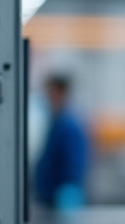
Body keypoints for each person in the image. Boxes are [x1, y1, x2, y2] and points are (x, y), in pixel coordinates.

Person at [34, 75, 88, 210]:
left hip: (62, 196)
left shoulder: (68, 125)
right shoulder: (57, 122)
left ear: (60, 93)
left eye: (50, 92)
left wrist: (64, 192)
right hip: (51, 196)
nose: (47, 97)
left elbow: (73, 166)